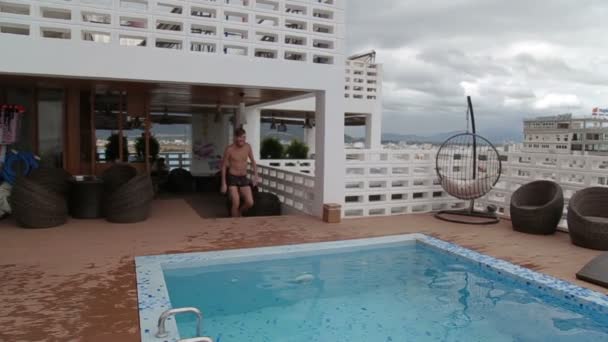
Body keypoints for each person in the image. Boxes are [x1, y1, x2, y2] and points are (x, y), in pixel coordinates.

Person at [221, 127, 259, 217]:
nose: (242, 139)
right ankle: (235, 224)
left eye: (243, 137)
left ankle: (240, 212)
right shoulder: (229, 149)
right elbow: (223, 166)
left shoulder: (248, 147)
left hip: (243, 177)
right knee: (236, 202)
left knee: (250, 202)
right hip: (232, 177)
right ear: (235, 138)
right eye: (240, 137)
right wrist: (223, 184)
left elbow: (253, 161)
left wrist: (256, 176)